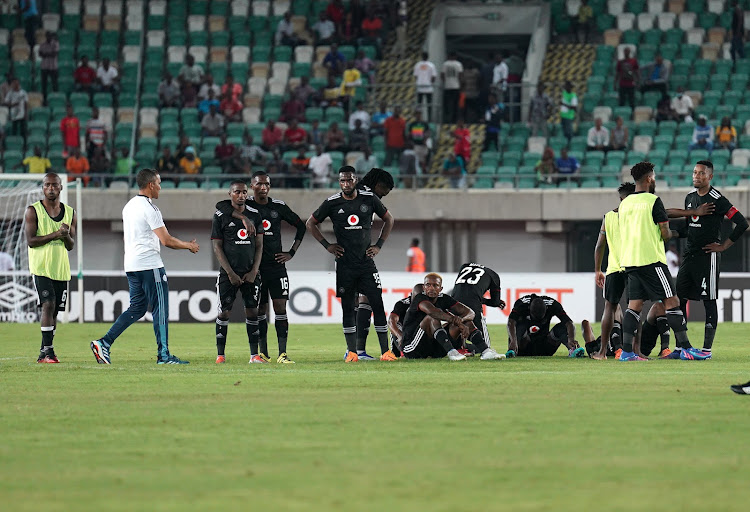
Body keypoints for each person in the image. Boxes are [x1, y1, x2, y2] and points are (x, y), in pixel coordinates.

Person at [90, 169, 199, 365]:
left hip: (131, 265)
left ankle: (104, 343)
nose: (160, 187)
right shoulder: (151, 209)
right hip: (150, 265)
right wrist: (188, 245)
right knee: (161, 308)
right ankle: (164, 356)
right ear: (150, 185)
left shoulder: (129, 206)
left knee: (138, 308)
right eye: (158, 183)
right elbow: (166, 240)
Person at [616, 161, 709, 361]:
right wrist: (680, 232)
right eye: (654, 176)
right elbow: (665, 234)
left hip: (630, 260)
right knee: (672, 301)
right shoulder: (653, 201)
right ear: (649, 178)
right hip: (651, 260)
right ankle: (685, 347)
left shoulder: (624, 204)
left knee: (634, 306)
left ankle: (626, 352)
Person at [306, 166, 396, 362]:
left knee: (366, 302)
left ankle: (361, 350)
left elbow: (387, 219)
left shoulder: (367, 197)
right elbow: (311, 222)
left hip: (364, 261)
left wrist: (377, 245)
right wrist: (327, 245)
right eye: (384, 191)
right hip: (347, 262)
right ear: (378, 185)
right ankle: (356, 350)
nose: (384, 196)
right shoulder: (361, 195)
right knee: (359, 303)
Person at [216, 171, 307, 363]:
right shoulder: (245, 206)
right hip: (254, 269)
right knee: (260, 311)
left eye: (267, 184)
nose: (263, 187)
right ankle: (263, 352)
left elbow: (301, 225)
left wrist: (291, 252)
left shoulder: (278, 207)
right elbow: (221, 206)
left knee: (280, 307)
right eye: (259, 184)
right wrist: (242, 218)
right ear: (252, 187)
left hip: (276, 266)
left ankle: (282, 353)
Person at [668, 160, 748, 356]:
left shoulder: (718, 200)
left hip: (708, 257)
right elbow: (689, 228)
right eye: (695, 172)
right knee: (679, 299)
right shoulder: (690, 198)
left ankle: (706, 350)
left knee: (709, 301)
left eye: (701, 173)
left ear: (710, 177)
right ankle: (681, 347)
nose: (696, 176)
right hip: (689, 256)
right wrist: (673, 234)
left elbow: (742, 223)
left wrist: (723, 246)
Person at [211, 181, 264, 363]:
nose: (241, 195)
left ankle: (254, 355)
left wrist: (254, 271)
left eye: (244, 192)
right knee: (224, 313)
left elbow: (259, 245)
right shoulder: (220, 216)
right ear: (230, 194)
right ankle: (220, 355)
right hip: (228, 274)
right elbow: (217, 246)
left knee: (252, 311)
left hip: (251, 273)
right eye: (237, 192)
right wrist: (230, 273)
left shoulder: (255, 215)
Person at [24, 173, 76, 363]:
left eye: (55, 185)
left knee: (54, 312)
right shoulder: (33, 211)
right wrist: (56, 234)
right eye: (47, 185)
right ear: (43, 188)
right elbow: (31, 241)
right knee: (48, 304)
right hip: (41, 267)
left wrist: (65, 235)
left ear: (61, 187)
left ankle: (42, 352)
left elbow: (71, 245)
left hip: (60, 268)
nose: (51, 188)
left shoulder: (70, 213)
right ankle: (49, 352)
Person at [400, 273, 504, 361]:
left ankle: (486, 352)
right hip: (412, 348)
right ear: (423, 287)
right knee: (431, 318)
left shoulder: (444, 298)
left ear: (441, 288)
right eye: (428, 285)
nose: (431, 288)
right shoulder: (420, 298)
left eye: (435, 285)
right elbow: (433, 312)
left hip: (434, 349)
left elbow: (470, 312)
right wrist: (457, 322)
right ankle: (452, 352)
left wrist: (461, 322)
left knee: (467, 322)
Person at [592, 182, 636, 361]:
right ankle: (635, 352)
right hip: (634, 266)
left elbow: (599, 245)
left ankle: (602, 352)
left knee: (609, 308)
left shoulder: (608, 217)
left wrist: (597, 270)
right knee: (634, 308)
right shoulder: (636, 216)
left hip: (613, 269)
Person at [506, 294, 583, 358]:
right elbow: (511, 322)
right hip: (524, 347)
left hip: (545, 347)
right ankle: (512, 351)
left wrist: (571, 339)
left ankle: (572, 349)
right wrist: (513, 341)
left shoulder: (552, 304)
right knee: (518, 326)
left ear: (546, 309)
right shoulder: (522, 304)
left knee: (562, 327)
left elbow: (569, 323)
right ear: (529, 309)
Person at [451, 262, 505, 351]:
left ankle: (459, 347)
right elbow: (495, 302)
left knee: (454, 334)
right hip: (473, 306)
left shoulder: (464, 266)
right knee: (485, 347)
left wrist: (481, 299)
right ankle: (465, 348)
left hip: (453, 304)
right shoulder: (493, 275)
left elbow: (464, 290)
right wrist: (493, 301)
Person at [388, 284, 423, 357]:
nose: (419, 300)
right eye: (417, 298)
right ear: (411, 295)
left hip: (418, 332)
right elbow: (391, 321)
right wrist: (399, 335)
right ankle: (399, 352)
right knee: (396, 325)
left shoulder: (429, 303)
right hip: (403, 333)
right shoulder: (402, 304)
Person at [441, 52, 463, 124]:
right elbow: (460, 75)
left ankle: (447, 119)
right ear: (455, 57)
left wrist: (445, 82)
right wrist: (460, 85)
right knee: (455, 104)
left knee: (447, 104)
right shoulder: (458, 64)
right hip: (456, 86)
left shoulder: (445, 64)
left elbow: (442, 75)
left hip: (447, 87)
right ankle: (454, 119)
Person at [413, 52, 437, 117]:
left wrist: (419, 81)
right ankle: (429, 119)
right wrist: (430, 82)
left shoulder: (417, 65)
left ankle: (418, 118)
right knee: (429, 105)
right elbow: (433, 77)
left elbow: (415, 76)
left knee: (419, 105)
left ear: (422, 56)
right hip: (428, 87)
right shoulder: (431, 65)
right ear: (428, 57)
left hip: (420, 87)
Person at [38, 31, 59, 98]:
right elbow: (40, 54)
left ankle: (55, 97)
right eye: (47, 36)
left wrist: (46, 54)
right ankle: (44, 99)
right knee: (44, 85)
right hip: (44, 67)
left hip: (53, 67)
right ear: (46, 36)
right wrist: (49, 53)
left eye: (50, 36)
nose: (49, 37)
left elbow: (54, 54)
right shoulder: (42, 44)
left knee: (54, 84)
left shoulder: (55, 43)